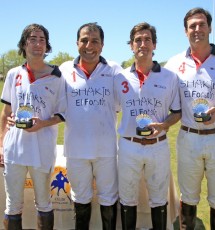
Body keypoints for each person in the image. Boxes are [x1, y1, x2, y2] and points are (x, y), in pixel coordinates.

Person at [165, 7, 215, 229]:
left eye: (202, 24)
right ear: (185, 31)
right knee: (189, 196)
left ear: (210, 28)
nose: (197, 29)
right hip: (189, 137)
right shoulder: (173, 64)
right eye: (192, 26)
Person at [114, 22, 181, 229]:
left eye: (147, 40)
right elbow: (111, 109)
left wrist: (163, 125)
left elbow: (177, 112)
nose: (143, 44)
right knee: (127, 198)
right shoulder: (119, 77)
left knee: (159, 198)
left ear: (155, 45)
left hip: (157, 145)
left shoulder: (170, 77)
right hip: (128, 145)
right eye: (138, 40)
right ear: (131, 46)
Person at [0, 24, 66, 230]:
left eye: (42, 40)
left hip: (42, 148)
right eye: (32, 39)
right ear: (24, 44)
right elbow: (6, 114)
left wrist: (43, 124)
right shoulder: (13, 74)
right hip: (14, 149)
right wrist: (1, 145)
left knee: (44, 202)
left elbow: (62, 115)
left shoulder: (57, 77)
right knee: (13, 204)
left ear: (47, 46)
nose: (38, 44)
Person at [59, 22, 123, 230]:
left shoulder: (114, 70)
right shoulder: (64, 70)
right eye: (84, 40)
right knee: (81, 198)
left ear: (102, 45)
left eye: (95, 41)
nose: (89, 45)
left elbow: (125, 102)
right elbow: (52, 102)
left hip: (106, 150)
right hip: (76, 151)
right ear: (76, 43)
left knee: (108, 198)